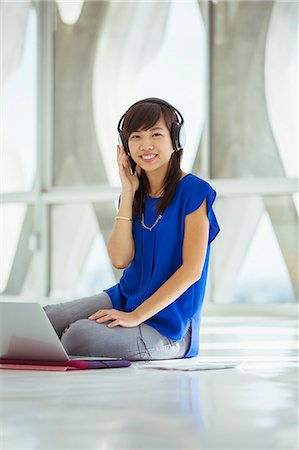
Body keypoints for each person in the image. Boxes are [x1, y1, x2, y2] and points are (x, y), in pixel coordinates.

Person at [43, 97, 220, 361]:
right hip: (125, 297)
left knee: (78, 335)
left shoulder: (195, 192)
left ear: (176, 139)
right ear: (126, 146)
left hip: (170, 330)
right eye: (135, 137)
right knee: (45, 319)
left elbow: (191, 272)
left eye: (156, 134)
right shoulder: (133, 195)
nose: (145, 145)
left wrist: (136, 316)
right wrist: (127, 192)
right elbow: (119, 259)